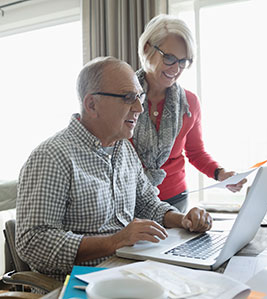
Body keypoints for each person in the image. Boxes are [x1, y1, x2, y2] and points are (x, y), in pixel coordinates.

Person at [15, 56, 212, 283]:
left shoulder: (123, 149)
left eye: (139, 97)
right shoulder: (52, 157)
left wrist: (183, 220)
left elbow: (148, 203)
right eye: (128, 98)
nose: (139, 108)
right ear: (92, 105)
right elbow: (33, 243)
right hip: (80, 283)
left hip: (130, 270)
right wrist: (115, 241)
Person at [132, 14, 246, 212]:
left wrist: (221, 174)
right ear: (146, 48)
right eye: (169, 58)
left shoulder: (189, 103)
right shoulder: (123, 97)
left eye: (183, 61)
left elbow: (195, 152)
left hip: (176, 200)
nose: (176, 69)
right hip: (129, 199)